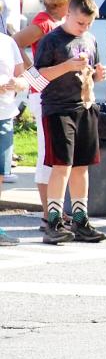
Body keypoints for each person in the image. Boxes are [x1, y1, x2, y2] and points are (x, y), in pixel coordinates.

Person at [32, 0, 106, 245]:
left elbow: (90, 72)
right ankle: (53, 221)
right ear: (69, 14)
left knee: (81, 166)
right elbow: (37, 77)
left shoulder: (90, 39)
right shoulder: (52, 40)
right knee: (61, 165)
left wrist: (99, 74)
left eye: (88, 24)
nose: (84, 28)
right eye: (80, 23)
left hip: (85, 106)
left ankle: (80, 219)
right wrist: (66, 66)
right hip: (57, 108)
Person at [12, 0, 79, 208]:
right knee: (47, 154)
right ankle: (48, 213)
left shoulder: (58, 23)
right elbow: (14, 43)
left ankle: (55, 211)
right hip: (44, 94)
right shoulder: (44, 23)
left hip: (58, 93)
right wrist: (32, 72)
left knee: (57, 154)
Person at [0, 30, 27, 246]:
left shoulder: (8, 43)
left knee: (0, 174)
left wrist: (18, 84)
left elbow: (22, 76)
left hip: (4, 115)